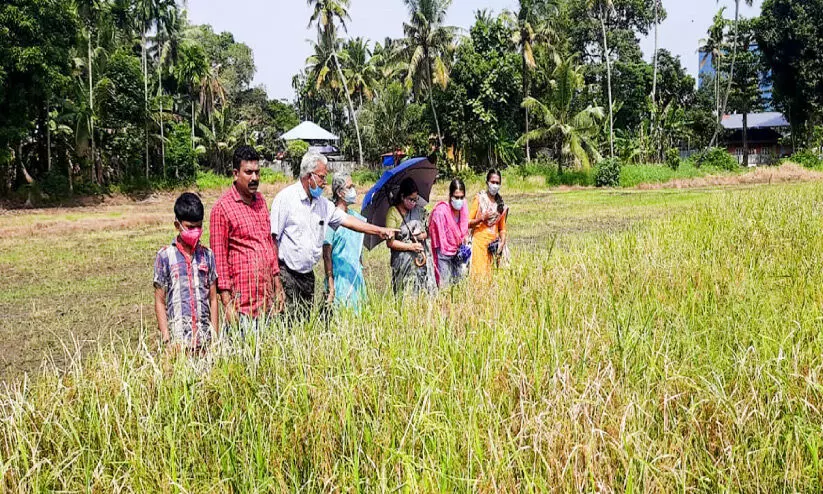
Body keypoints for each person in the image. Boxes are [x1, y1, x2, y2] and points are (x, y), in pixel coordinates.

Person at [270, 153, 395, 318]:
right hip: (287, 273)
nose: (324, 183)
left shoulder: (323, 205)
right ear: (309, 176)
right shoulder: (286, 199)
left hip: (307, 275)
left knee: (304, 321)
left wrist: (379, 230)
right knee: (287, 321)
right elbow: (272, 240)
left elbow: (348, 220)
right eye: (322, 177)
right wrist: (276, 281)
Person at [210, 145, 285, 332]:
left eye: (257, 172)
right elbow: (219, 261)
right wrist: (227, 305)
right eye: (248, 172)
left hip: (266, 303)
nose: (255, 178)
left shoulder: (260, 201)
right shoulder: (222, 208)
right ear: (236, 174)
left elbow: (268, 245)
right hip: (242, 306)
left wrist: (277, 286)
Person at [153, 193, 218, 352]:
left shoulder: (207, 255)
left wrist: (214, 339)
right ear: (177, 225)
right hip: (178, 344)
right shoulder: (165, 257)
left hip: (204, 342)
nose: (195, 231)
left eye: (199, 226)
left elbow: (213, 299)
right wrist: (167, 341)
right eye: (190, 227)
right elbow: (160, 301)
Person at [322, 174, 366, 311]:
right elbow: (327, 254)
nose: (354, 190)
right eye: (349, 187)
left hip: (355, 275)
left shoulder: (356, 218)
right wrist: (331, 285)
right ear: (340, 193)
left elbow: (358, 251)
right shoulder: (331, 218)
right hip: (340, 278)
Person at [385, 177, 436, 295]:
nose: (413, 202)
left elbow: (427, 233)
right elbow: (390, 243)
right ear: (402, 197)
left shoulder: (418, 211)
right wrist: (410, 247)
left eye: (416, 199)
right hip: (402, 261)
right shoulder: (393, 213)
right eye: (410, 199)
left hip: (420, 258)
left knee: (422, 291)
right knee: (404, 293)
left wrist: (420, 236)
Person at [428, 178, 469, 287]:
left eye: (461, 197)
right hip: (443, 253)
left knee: (459, 285)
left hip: (459, 252)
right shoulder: (441, 212)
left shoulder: (464, 207)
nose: (459, 200)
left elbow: (464, 229)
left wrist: (464, 237)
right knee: (444, 285)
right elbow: (433, 233)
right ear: (450, 196)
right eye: (456, 197)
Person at [469, 169, 509, 280]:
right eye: (493, 182)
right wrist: (481, 218)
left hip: (493, 247)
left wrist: (502, 242)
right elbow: (468, 223)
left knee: (491, 279)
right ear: (487, 183)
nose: (495, 185)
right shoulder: (480, 199)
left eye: (497, 183)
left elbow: (502, 228)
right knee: (478, 278)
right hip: (479, 245)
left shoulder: (500, 204)